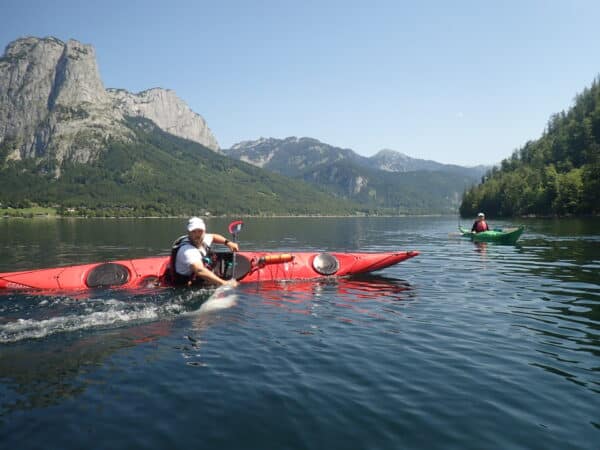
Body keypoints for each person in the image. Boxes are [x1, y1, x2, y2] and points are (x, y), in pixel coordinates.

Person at [170, 217, 239, 287]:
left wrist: (228, 243)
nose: (197, 235)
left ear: (204, 231)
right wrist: (224, 283)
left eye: (200, 231)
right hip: (184, 285)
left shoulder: (203, 238)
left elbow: (213, 236)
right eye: (193, 231)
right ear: (188, 232)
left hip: (194, 275)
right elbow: (200, 270)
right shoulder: (187, 251)